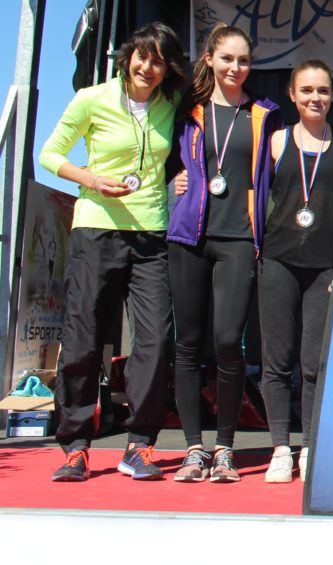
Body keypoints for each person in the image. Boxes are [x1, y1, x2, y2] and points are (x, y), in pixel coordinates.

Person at [39, 23, 187, 482]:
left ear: (167, 68)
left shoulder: (171, 104)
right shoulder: (92, 98)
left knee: (155, 341)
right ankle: (75, 446)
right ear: (127, 57)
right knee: (83, 338)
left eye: (158, 60)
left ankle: (139, 445)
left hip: (151, 235)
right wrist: (91, 180)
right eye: (142, 56)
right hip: (96, 228)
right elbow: (49, 154)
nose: (148, 67)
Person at [167, 23, 281, 484]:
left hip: (238, 238)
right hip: (190, 237)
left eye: (244, 60)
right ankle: (193, 449)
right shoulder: (185, 110)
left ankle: (225, 449)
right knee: (188, 344)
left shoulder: (264, 114)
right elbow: (160, 160)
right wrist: (172, 178)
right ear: (210, 58)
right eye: (228, 58)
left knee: (229, 341)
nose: (236, 67)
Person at [260, 60, 333, 482]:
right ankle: (281, 447)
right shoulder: (277, 141)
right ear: (292, 95)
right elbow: (250, 189)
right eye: (307, 90)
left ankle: (310, 446)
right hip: (278, 260)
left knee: (315, 362)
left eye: (322, 90)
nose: (315, 97)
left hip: (324, 265)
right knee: (276, 361)